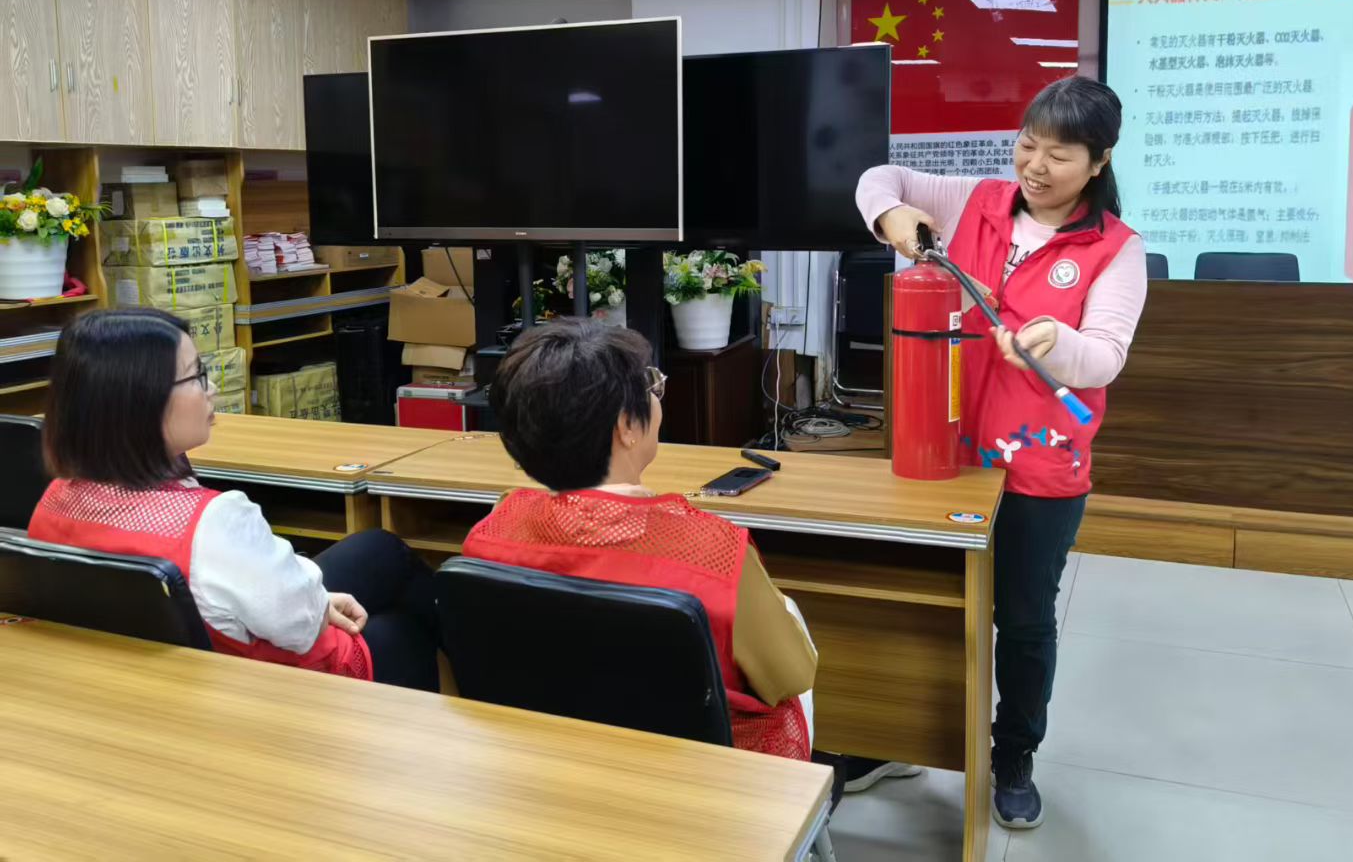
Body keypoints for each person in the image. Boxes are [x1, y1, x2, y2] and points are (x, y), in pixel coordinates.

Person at [855, 76, 1147, 828]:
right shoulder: (978, 200)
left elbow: (1106, 356)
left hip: (1039, 465)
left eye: (1060, 154)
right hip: (944, 453)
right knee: (918, 604)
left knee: (1020, 621)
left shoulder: (1117, 250)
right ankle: (895, 740)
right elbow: (877, 176)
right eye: (1027, 145)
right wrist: (890, 213)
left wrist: (1059, 342)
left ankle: (1013, 753)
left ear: (1099, 162)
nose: (1036, 166)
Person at [30, 308, 441, 691]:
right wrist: (314, 600)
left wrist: (314, 596)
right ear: (141, 402)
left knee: (378, 548)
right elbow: (301, 627)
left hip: (147, 684)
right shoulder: (217, 521)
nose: (210, 389)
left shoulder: (53, 500)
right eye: (196, 375)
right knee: (404, 627)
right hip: (269, 694)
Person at [462, 319, 818, 761]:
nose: (657, 397)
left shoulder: (494, 530)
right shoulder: (716, 553)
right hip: (698, 775)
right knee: (790, 618)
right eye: (651, 387)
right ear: (627, 425)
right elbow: (793, 676)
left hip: (548, 756)